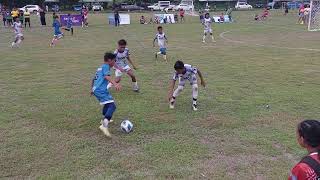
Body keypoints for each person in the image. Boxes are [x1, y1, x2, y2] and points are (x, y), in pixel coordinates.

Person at [91, 52, 121, 137]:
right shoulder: (106, 66)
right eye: (114, 61)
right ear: (109, 60)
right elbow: (106, 77)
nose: (114, 63)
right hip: (101, 90)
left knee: (107, 104)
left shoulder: (100, 68)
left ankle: (103, 120)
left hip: (96, 89)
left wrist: (91, 89)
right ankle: (104, 125)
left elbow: (93, 79)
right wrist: (115, 84)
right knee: (112, 106)